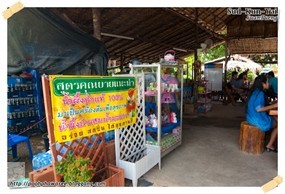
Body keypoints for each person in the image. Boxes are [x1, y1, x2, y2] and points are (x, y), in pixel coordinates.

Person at [246, 74, 278, 152]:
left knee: (275, 118)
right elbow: (259, 109)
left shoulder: (255, 91)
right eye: (267, 82)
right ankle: (270, 145)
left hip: (250, 117)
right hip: (256, 119)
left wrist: (271, 105)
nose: (269, 84)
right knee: (279, 124)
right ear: (263, 84)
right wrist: (274, 105)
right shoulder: (260, 93)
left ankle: (268, 140)